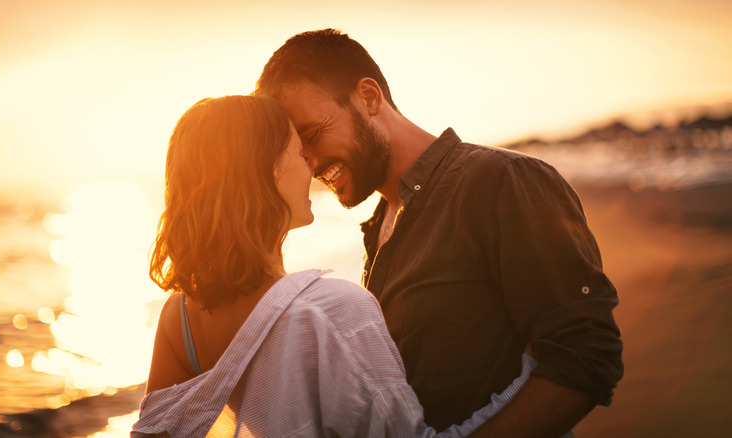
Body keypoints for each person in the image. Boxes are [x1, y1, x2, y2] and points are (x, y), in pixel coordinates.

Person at [254, 29, 624, 437]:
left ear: (369, 97)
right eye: (299, 152)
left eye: (312, 134)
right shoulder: (380, 225)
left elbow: (588, 354)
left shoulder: (501, 181)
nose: (311, 164)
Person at [130, 95, 550, 437]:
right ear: (268, 171)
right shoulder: (331, 309)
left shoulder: (177, 319)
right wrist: (527, 373)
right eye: (299, 152)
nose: (311, 166)